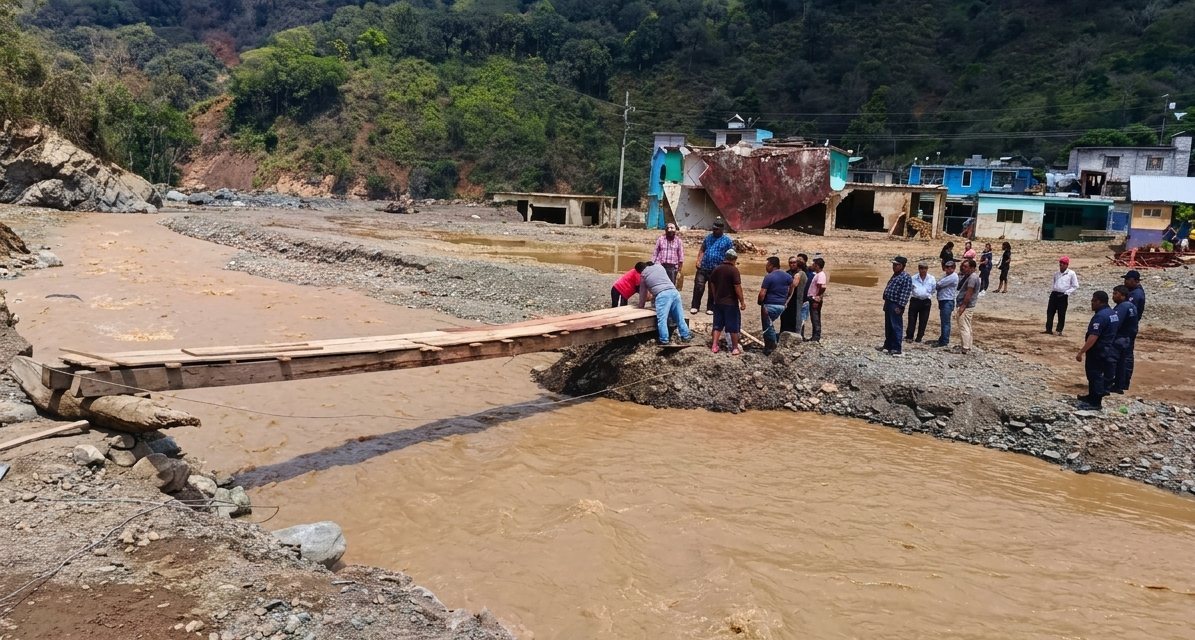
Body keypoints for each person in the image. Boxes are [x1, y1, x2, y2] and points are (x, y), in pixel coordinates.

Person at [1075, 291, 1119, 410]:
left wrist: (1081, 352)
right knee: (1096, 374)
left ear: (1098, 301)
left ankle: (1095, 402)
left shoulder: (1100, 316)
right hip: (1107, 348)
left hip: (1098, 350)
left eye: (1093, 301)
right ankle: (1091, 396)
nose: (1091, 303)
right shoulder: (1112, 313)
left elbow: (1093, 336)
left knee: (1095, 374)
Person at [637, 262, 693, 345]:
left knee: (662, 319)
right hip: (674, 292)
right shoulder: (659, 267)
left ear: (639, 271)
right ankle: (686, 336)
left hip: (662, 295)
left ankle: (664, 340)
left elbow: (643, 294)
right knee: (679, 318)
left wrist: (641, 306)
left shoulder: (643, 275)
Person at [690, 220, 735, 314]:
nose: (714, 231)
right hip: (703, 267)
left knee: (713, 289)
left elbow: (732, 255)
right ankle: (695, 306)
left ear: (722, 229)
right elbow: (702, 249)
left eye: (717, 229)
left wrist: (729, 267)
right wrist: (698, 260)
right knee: (699, 286)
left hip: (717, 269)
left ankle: (710, 308)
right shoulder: (708, 237)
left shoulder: (727, 241)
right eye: (713, 229)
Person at [709, 248, 745, 355]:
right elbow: (737, 287)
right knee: (733, 327)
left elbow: (712, 283)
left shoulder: (717, 269)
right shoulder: (734, 270)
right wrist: (742, 301)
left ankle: (714, 345)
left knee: (717, 325)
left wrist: (715, 296)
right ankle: (734, 347)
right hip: (730, 303)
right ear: (734, 259)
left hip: (718, 302)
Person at [758, 256, 793, 354]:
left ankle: (770, 347)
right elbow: (792, 287)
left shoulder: (769, 277)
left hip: (769, 305)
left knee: (767, 326)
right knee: (770, 325)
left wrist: (760, 301)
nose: (766, 267)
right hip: (781, 305)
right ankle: (770, 345)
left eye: (767, 265)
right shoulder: (787, 276)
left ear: (771, 265)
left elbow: (762, 294)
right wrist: (787, 299)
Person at [878, 256, 913, 356]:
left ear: (902, 266)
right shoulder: (895, 275)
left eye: (897, 265)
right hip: (889, 303)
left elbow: (905, 293)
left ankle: (896, 347)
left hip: (896, 304)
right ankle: (888, 345)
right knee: (888, 326)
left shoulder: (905, 277)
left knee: (896, 326)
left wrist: (900, 306)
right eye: (894, 265)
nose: (894, 267)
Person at [1120, 269, 1146, 391]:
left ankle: (1124, 381)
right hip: (1129, 327)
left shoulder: (1135, 295)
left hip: (1128, 328)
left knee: (1126, 354)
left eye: (1127, 280)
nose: (1125, 282)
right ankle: (1122, 380)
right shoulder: (1134, 292)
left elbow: (1129, 312)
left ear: (1135, 281)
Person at [1109, 285, 1138, 395]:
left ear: (1122, 295)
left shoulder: (1122, 307)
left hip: (1120, 338)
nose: (1113, 296)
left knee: (1113, 361)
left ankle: (1110, 384)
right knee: (1122, 362)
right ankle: (1120, 385)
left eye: (1115, 294)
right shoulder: (1131, 306)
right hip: (1128, 337)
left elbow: (1115, 323)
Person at [1045, 256, 1079, 335]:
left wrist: (1067, 293)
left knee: (1061, 313)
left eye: (1063, 263)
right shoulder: (1056, 273)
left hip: (1063, 295)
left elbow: (1075, 285)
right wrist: (1053, 289)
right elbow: (1054, 282)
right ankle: (1048, 329)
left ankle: (1059, 330)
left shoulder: (1071, 273)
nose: (1061, 264)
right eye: (1060, 263)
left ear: (1067, 265)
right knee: (1050, 311)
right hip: (1054, 294)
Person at [905, 260, 935, 343]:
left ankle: (919, 337)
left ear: (927, 269)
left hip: (926, 301)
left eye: (925, 268)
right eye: (921, 268)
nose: (923, 270)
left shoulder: (931, 279)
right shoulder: (913, 278)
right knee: (911, 319)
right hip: (915, 300)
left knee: (924, 320)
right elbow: (910, 289)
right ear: (918, 269)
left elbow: (933, 289)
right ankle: (909, 336)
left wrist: (926, 295)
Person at [955, 258, 980, 354]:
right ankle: (968, 345)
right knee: (967, 326)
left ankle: (965, 347)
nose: (963, 268)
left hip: (966, 306)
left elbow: (969, 293)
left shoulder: (972, 278)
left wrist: (962, 307)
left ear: (972, 268)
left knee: (963, 326)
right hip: (969, 305)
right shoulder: (971, 277)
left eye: (966, 267)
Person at [779, 255, 808, 335]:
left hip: (797, 300)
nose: (792, 264)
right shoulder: (786, 274)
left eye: (794, 263)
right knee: (785, 319)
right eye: (790, 263)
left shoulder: (801, 274)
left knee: (796, 319)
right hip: (786, 300)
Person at [931, 260, 958, 347]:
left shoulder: (953, 277)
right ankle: (943, 338)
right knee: (943, 321)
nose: (949, 269)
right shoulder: (946, 276)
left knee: (946, 322)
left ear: (954, 268)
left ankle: (945, 340)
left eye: (951, 267)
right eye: (947, 267)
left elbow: (939, 284)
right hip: (943, 300)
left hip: (947, 300)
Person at [807, 257, 827, 342]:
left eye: (814, 264)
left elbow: (821, 287)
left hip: (815, 298)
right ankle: (814, 336)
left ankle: (816, 337)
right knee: (814, 317)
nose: (813, 266)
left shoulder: (820, 275)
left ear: (817, 266)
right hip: (814, 298)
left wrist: (817, 298)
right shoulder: (818, 274)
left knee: (815, 318)